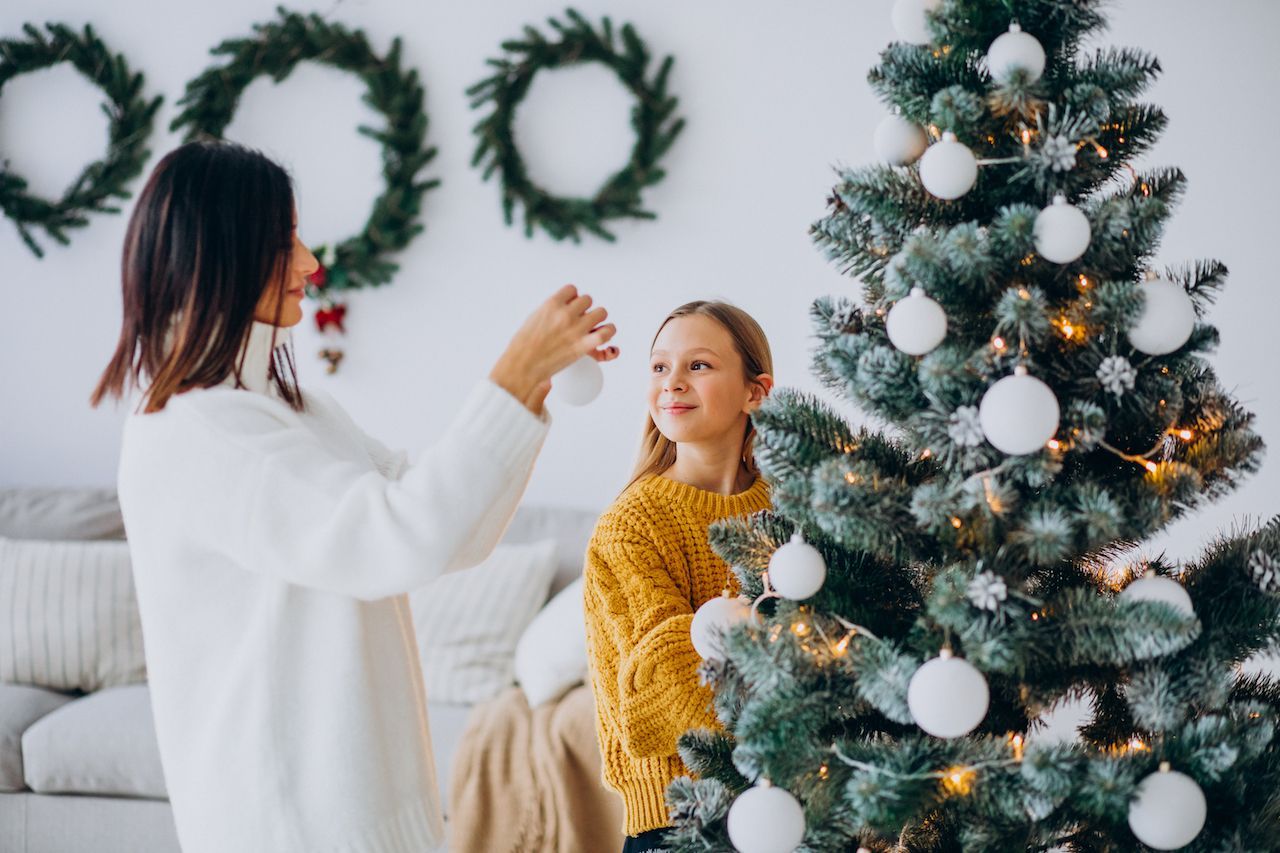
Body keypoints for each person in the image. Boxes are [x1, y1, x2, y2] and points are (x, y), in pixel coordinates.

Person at [89, 140, 617, 853]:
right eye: (284, 241)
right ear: (223, 254)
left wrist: (531, 386)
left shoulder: (296, 412)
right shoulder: (198, 433)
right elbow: (401, 535)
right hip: (291, 823)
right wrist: (514, 374)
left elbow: (450, 530)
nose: (310, 262)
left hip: (366, 810)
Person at [582, 300, 774, 852]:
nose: (673, 383)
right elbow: (661, 690)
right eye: (660, 367)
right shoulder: (631, 526)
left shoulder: (789, 510)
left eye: (699, 365)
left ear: (755, 392)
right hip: (680, 822)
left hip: (791, 802)